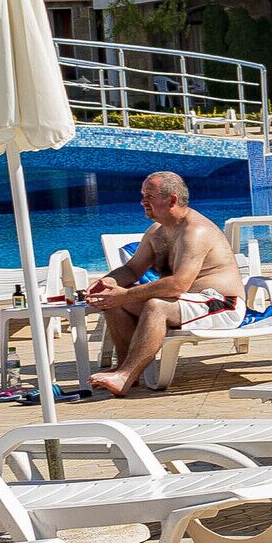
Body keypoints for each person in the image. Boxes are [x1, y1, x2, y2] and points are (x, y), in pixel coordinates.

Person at [78, 170, 246, 398]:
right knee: (114, 303)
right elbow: (131, 269)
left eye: (149, 196)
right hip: (187, 303)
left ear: (172, 199)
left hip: (222, 304)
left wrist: (125, 295)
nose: (143, 202)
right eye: (143, 195)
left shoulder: (195, 231)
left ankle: (125, 375)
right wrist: (107, 283)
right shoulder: (157, 232)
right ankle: (127, 369)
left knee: (156, 306)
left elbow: (178, 284)